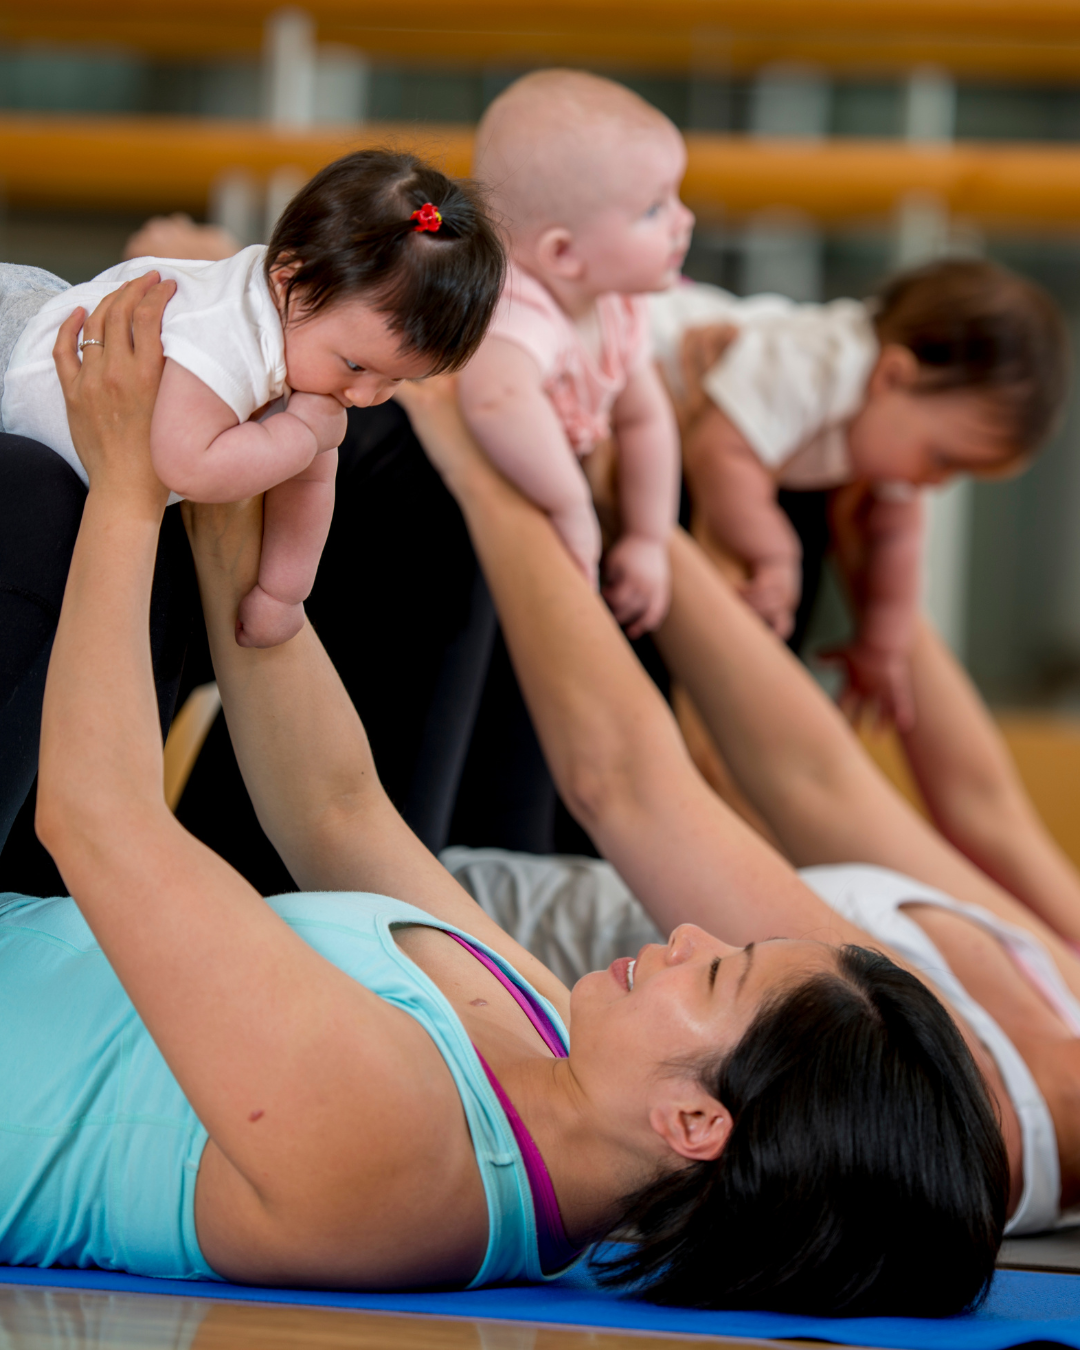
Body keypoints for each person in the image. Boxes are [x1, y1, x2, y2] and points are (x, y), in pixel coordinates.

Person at [3, 277, 1004, 1317]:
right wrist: (235, 534)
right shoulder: (554, 1051)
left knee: (40, 505)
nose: (689, 936)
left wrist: (129, 486)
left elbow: (97, 821)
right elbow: (338, 810)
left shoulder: (393, 1148)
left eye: (717, 975)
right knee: (231, 504)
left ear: (694, 1123)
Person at [396, 376, 1078, 1247]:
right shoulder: (1063, 1006)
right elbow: (818, 781)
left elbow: (626, 784)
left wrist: (484, 461)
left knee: (409, 445)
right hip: (518, 838)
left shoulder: (927, 1103)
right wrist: (627, 493)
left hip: (414, 907)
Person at [1, 149, 504, 647]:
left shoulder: (311, 344)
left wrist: (283, 594)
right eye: (357, 366)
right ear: (287, 283)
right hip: (16, 353)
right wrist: (298, 436)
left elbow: (308, 481)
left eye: (396, 381)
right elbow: (185, 464)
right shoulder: (227, 337)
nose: (366, 396)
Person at [649, 261, 1070, 725]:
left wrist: (882, 646)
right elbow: (717, 451)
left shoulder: (893, 420)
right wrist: (773, 553)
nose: (937, 483)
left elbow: (899, 540)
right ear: (891, 376)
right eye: (942, 459)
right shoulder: (818, 365)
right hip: (637, 350)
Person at [457, 70, 691, 638]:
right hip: (447, 498)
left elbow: (645, 419)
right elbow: (495, 401)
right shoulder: (518, 305)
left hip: (526, 492)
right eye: (654, 210)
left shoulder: (616, 304)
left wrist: (648, 537)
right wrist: (570, 505)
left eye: (676, 197)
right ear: (563, 254)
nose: (684, 221)